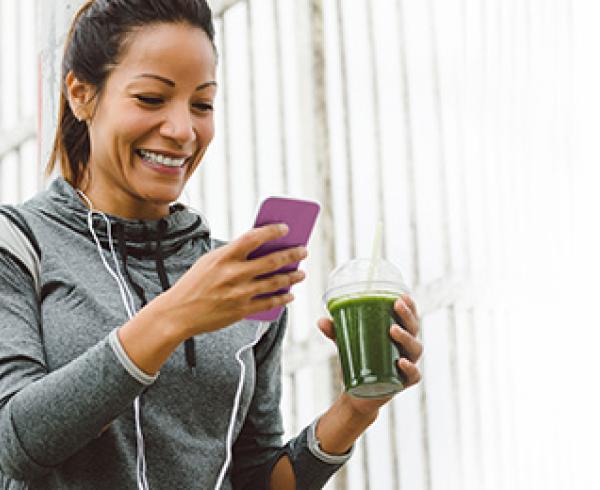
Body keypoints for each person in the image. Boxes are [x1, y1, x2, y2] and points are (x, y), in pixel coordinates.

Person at [0, 0, 423, 489]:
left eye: (201, 104)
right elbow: (15, 444)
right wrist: (177, 314)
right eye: (152, 99)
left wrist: (355, 409)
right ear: (81, 94)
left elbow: (255, 478)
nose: (182, 131)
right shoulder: (20, 242)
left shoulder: (237, 278)